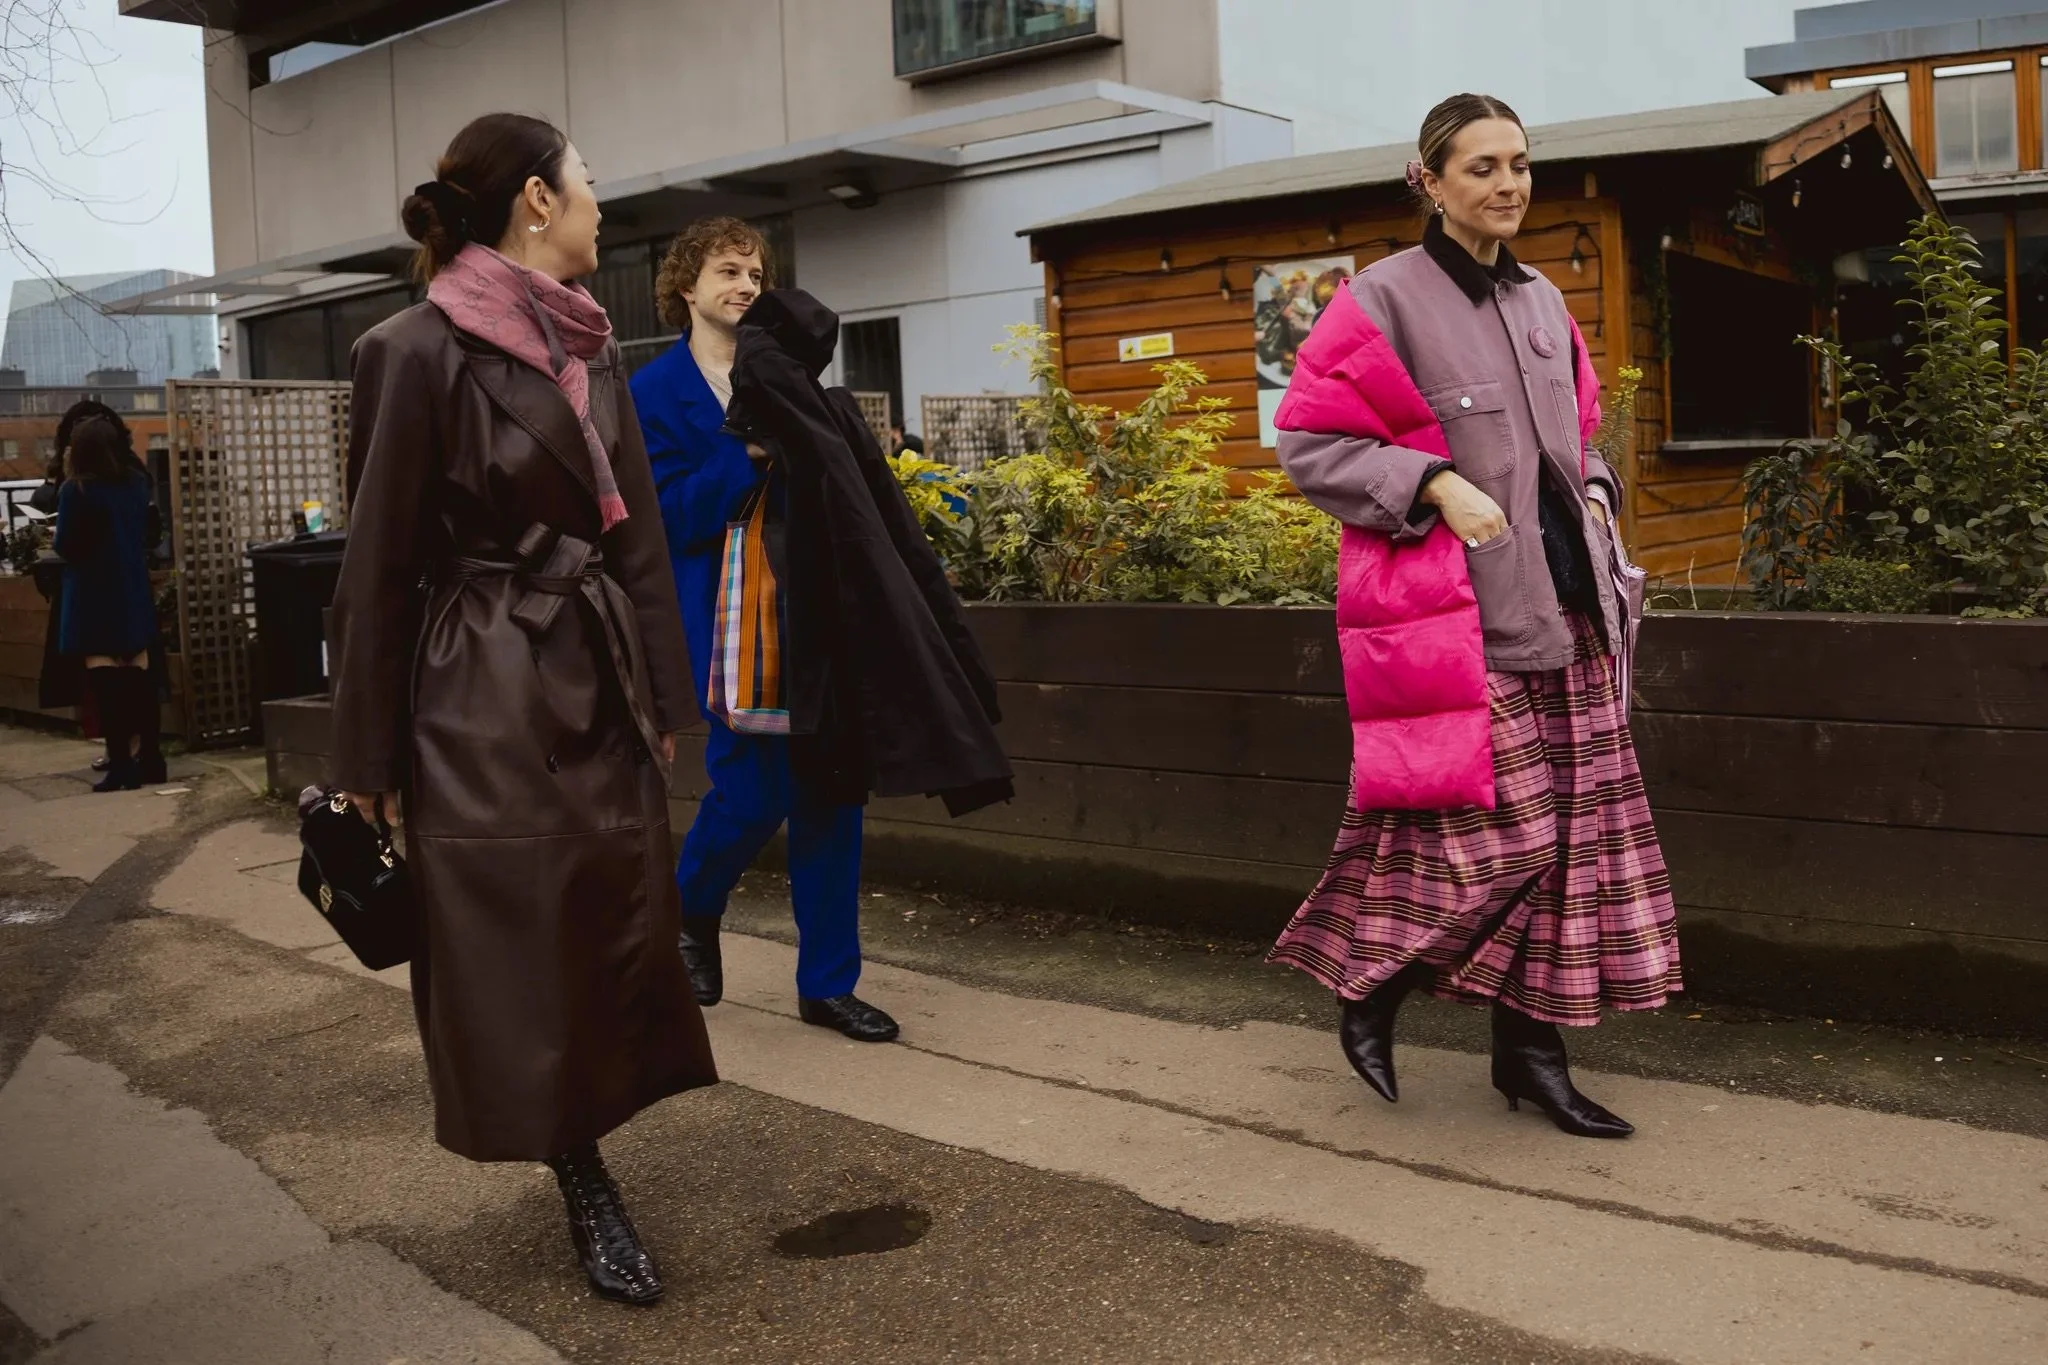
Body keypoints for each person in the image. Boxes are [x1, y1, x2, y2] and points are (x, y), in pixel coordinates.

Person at [327, 112, 716, 1306]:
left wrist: (659, 689)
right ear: (537, 202)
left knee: (610, 908)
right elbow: (378, 561)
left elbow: (633, 530)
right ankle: (579, 1171)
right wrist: (367, 751)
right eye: (590, 183)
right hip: (479, 676)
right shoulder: (411, 346)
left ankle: (593, 1124)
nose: (604, 203)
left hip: (588, 660)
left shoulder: (590, 345)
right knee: (518, 936)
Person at [1266, 93, 1679, 1140]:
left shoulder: (1543, 300)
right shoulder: (1381, 301)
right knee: (1504, 837)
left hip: (1569, 608)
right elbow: (1311, 441)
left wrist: (1594, 488)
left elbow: (1579, 433)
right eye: (1481, 167)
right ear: (1430, 181)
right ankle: (1376, 985)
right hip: (1459, 619)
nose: (1507, 185)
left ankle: (1527, 1057)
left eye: (1519, 165)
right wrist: (1433, 485)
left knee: (1572, 843)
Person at [630, 220, 898, 1043]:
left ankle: (827, 984)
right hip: (720, 622)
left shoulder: (793, 377)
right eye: (727, 271)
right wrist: (743, 453)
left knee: (831, 791)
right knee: (749, 791)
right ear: (687, 285)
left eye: (754, 272)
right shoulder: (649, 393)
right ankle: (690, 911)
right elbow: (659, 518)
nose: (745, 285)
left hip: (813, 612)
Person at [52, 415, 163, 790]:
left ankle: (121, 766)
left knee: (106, 682)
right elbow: (149, 533)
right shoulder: (135, 484)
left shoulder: (76, 491)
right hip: (132, 586)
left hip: (93, 592)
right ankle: (151, 757)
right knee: (139, 676)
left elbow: (65, 544)